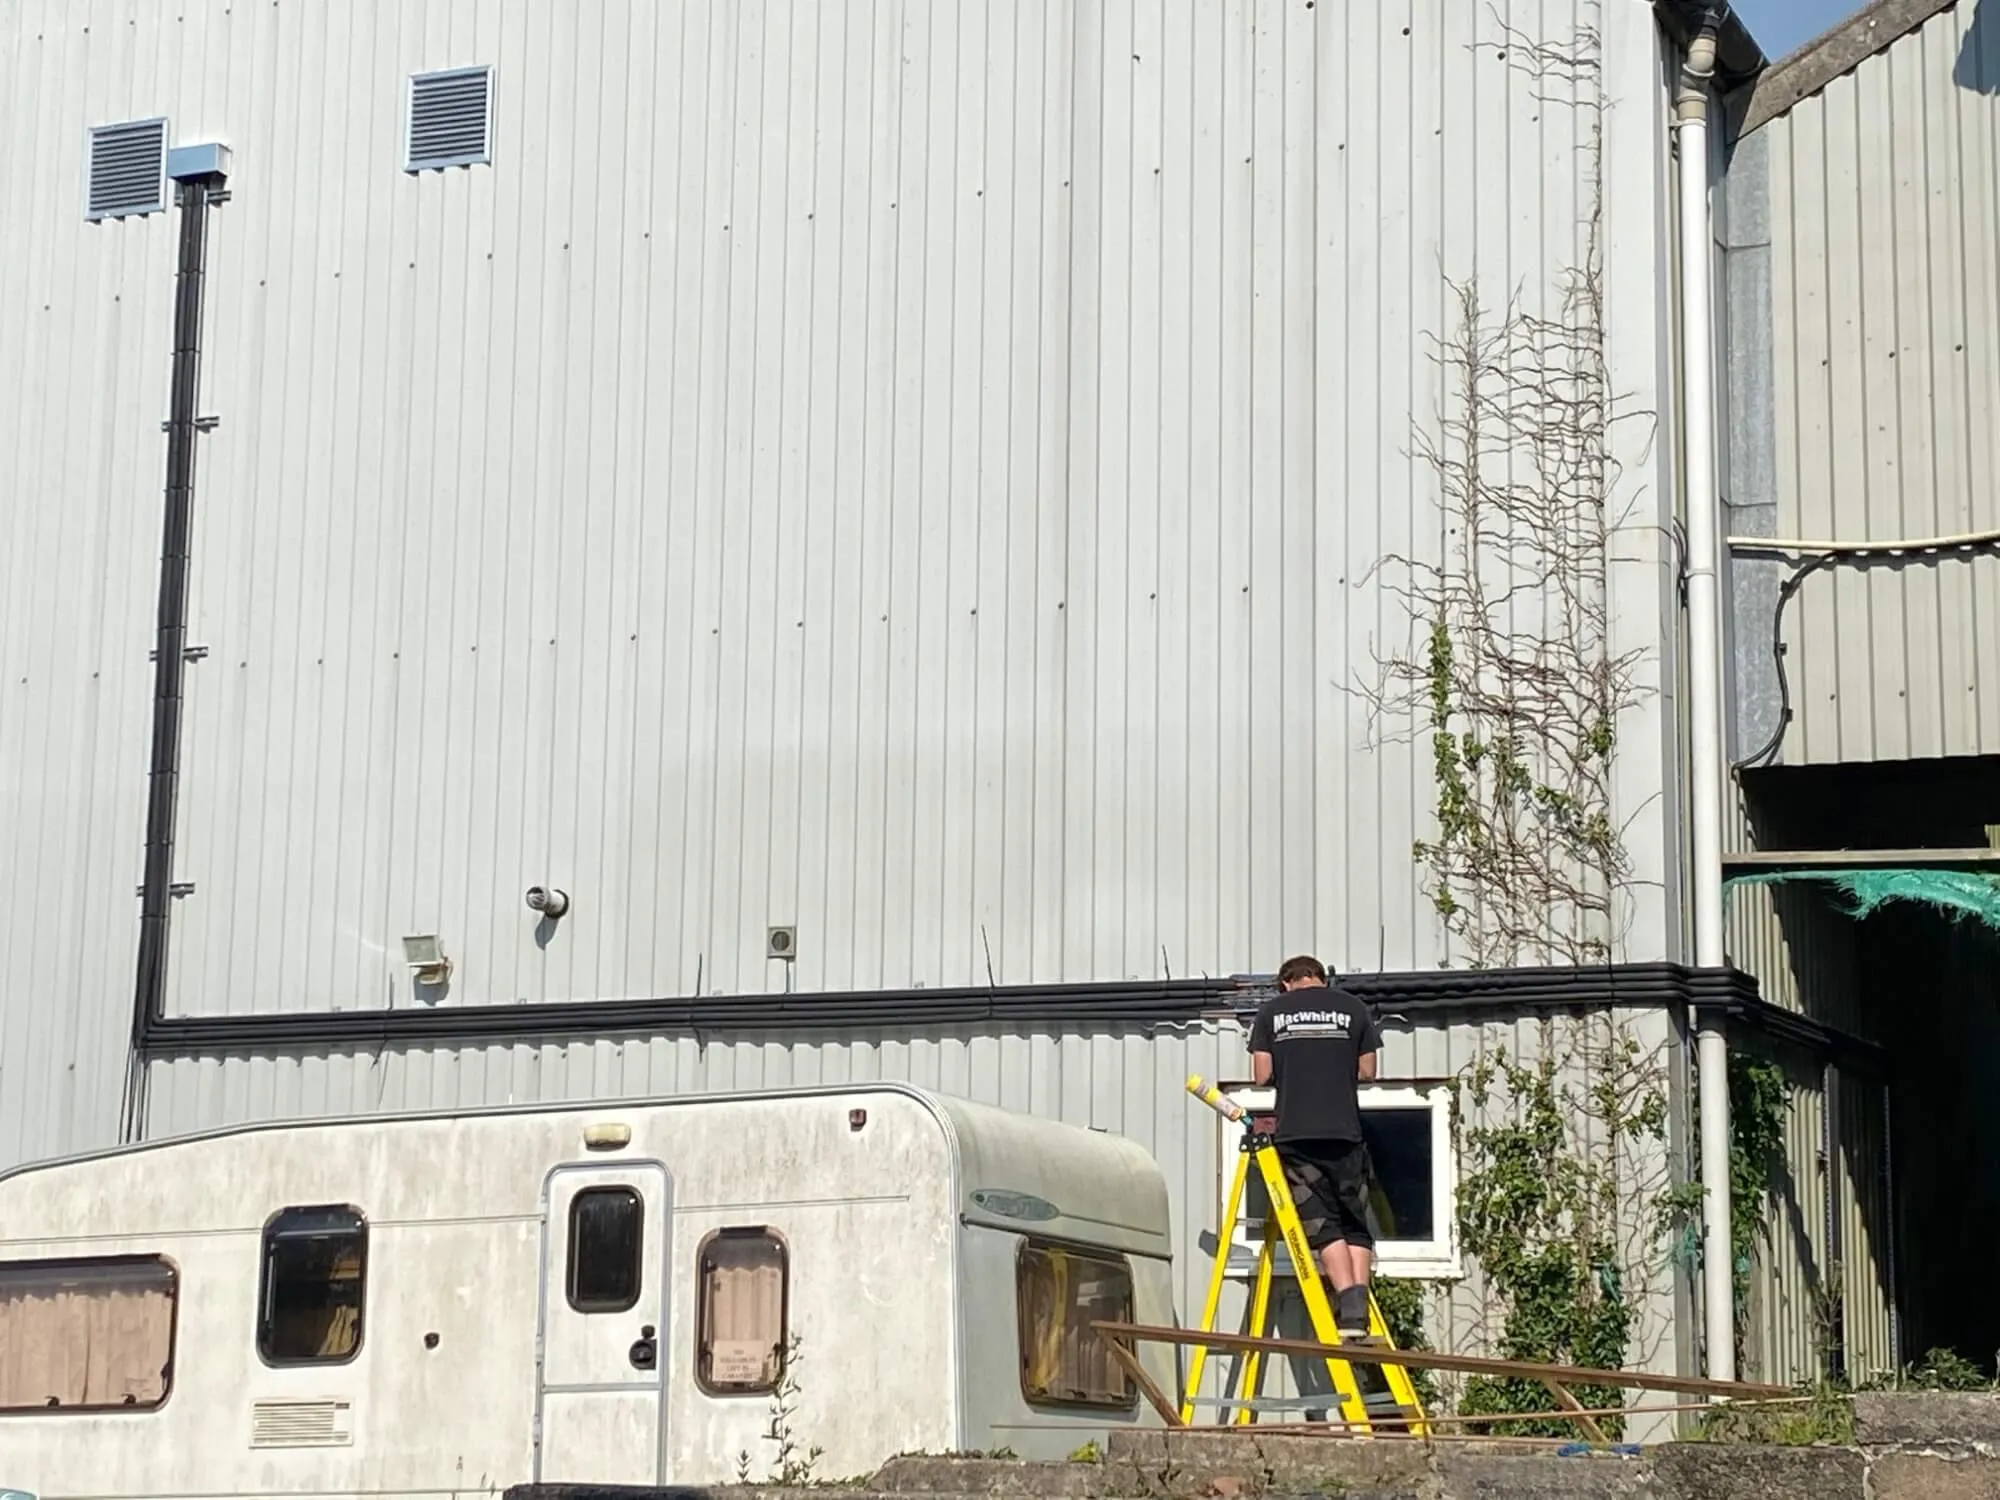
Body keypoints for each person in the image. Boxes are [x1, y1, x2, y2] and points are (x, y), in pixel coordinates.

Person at [1246, 953, 1383, 1334]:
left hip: (1297, 1134)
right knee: (1354, 1221)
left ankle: (1346, 1296)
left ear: (1286, 982)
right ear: (1321, 978)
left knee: (1322, 1222)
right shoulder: (1354, 1008)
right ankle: (1357, 1311)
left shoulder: (1271, 1012)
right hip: (1345, 1133)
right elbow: (1368, 1072)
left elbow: (1261, 1076)